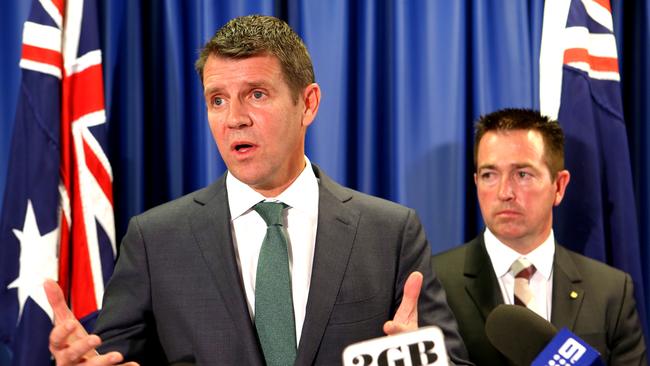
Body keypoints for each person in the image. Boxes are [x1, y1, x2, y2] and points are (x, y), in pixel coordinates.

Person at [44, 15, 471, 365]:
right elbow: (109, 359)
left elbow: (451, 359)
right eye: (217, 99)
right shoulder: (155, 240)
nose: (234, 118)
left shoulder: (390, 233)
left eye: (257, 94)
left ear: (308, 103)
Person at [432, 108, 647, 365]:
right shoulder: (435, 283)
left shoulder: (611, 291)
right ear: (476, 181)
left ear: (559, 186)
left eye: (522, 174)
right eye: (489, 175)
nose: (504, 192)